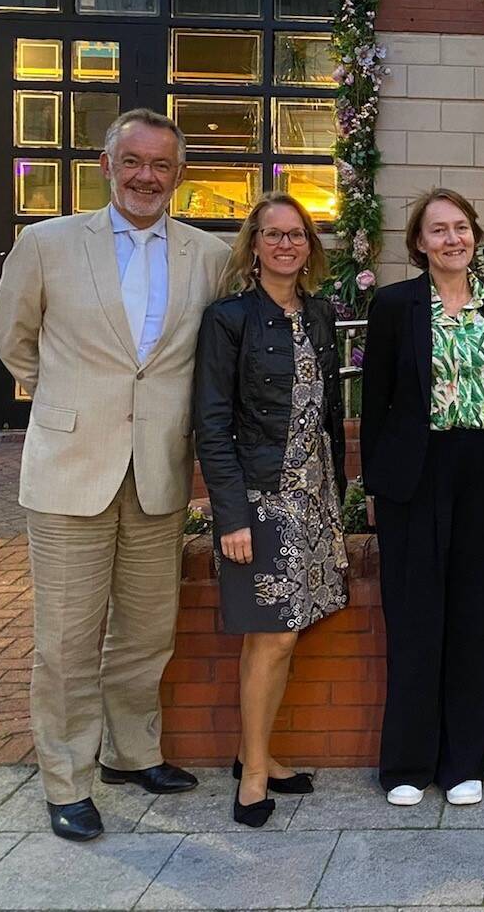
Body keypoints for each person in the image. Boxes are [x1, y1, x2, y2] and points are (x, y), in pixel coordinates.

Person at [0, 108, 230, 841]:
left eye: (161, 165)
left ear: (179, 175)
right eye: (134, 162)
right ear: (107, 165)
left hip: (157, 469)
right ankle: (66, 777)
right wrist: (71, 403)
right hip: (71, 467)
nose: (146, 176)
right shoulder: (46, 244)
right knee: (66, 636)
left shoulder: (207, 256)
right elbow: (14, 340)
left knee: (146, 628)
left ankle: (132, 752)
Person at [360, 189, 484, 808]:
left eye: (461, 227)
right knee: (415, 617)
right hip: (414, 474)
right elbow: (373, 404)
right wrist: (374, 484)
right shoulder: (395, 305)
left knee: (479, 618)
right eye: (438, 230)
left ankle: (464, 763)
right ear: (419, 243)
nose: (452, 239)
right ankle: (407, 762)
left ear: (474, 235)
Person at [193, 192, 348, 828]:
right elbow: (212, 420)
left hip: (312, 497)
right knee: (273, 635)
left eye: (297, 235)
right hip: (260, 500)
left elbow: (327, 413)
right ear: (253, 245)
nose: (286, 244)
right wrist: (229, 515)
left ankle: (253, 751)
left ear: (309, 246)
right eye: (273, 234)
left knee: (283, 632)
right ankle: (254, 774)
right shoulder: (228, 319)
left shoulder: (319, 314)